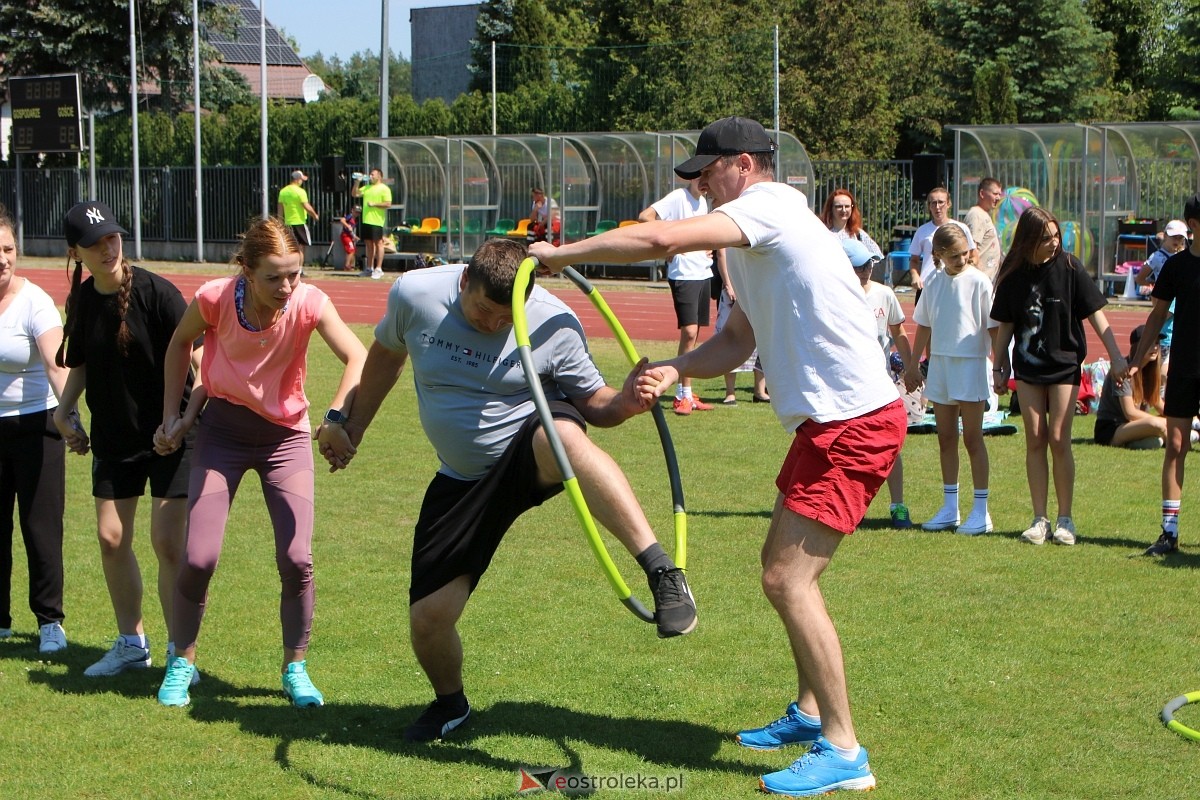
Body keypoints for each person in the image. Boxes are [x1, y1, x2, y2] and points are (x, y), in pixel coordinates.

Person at [530, 116, 905, 797]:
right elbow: (735, 340)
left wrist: (563, 253)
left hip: (854, 421)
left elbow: (660, 237)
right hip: (828, 422)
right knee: (781, 572)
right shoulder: (756, 237)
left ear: (743, 163)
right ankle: (811, 713)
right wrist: (676, 369)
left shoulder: (767, 207)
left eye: (707, 169)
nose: (699, 182)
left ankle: (845, 751)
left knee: (787, 581)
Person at [326, 237, 697, 742]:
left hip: (528, 447)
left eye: (506, 318)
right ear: (463, 281)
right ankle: (450, 705)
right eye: (483, 311)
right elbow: (386, 361)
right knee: (429, 620)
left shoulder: (552, 320)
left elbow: (596, 405)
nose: (493, 324)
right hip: (462, 480)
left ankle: (661, 572)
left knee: (563, 435)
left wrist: (628, 401)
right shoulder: (415, 295)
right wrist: (351, 426)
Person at [154, 216, 366, 708]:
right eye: (274, 276)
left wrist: (335, 416)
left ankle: (296, 668)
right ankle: (181, 661)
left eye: (295, 273)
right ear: (245, 270)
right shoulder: (214, 298)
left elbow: (357, 356)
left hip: (284, 439)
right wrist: (174, 416)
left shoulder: (309, 302)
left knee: (297, 558)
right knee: (200, 556)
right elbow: (178, 345)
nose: (288, 286)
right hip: (222, 433)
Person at [53, 200, 196, 676]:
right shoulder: (83, 300)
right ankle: (131, 643)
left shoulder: (157, 293)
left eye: (112, 237)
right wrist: (64, 408)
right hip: (115, 439)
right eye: (95, 243)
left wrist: (179, 421)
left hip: (170, 436)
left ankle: (181, 654)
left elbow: (198, 363)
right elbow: (84, 361)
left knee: (168, 543)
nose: (108, 247)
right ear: (77, 252)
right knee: (111, 539)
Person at [991, 206, 1126, 546]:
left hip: (1065, 365)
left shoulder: (1069, 267)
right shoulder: (1014, 275)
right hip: (1028, 366)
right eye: (1045, 238)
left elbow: (1097, 317)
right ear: (1028, 241)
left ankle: (1066, 519)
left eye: (1055, 236)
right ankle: (1040, 519)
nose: (1053, 243)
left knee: (1058, 437)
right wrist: (999, 366)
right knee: (1034, 438)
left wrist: (1117, 357)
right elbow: (1005, 327)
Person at [0, 205, 70, 653]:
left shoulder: (35, 302)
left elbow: (55, 363)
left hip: (36, 427)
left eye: (7, 249)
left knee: (40, 526)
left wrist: (70, 415)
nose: (3, 259)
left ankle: (49, 623)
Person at [904, 224, 993, 535]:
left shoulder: (980, 282)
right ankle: (950, 508)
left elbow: (992, 326)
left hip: (970, 365)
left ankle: (981, 511)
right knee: (945, 438)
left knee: (972, 438)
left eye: (965, 253)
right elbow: (924, 326)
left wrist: (999, 366)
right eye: (954, 255)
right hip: (941, 365)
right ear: (939, 254)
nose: (962, 259)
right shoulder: (932, 282)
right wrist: (914, 365)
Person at [1124, 194, 1200, 556]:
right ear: (1194, 225)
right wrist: (1138, 359)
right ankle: (1169, 533)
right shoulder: (1177, 266)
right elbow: (1156, 317)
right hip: (1185, 368)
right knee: (1175, 445)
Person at [845, 238, 914, 528]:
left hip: (881, 384)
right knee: (852, 448)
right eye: (859, 265)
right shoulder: (838, 295)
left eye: (869, 264)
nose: (865, 270)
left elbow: (898, 333)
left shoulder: (884, 294)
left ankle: (898, 505)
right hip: (847, 387)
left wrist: (912, 368)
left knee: (891, 447)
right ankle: (851, 507)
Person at [638, 178, 716, 415]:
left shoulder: (703, 202)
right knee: (689, 332)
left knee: (695, 336)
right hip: (683, 274)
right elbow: (645, 216)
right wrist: (666, 246)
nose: (704, 182)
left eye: (707, 176)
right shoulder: (677, 197)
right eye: (700, 177)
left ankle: (687, 393)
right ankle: (682, 396)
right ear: (691, 178)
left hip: (702, 272)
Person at [1094, 325, 1167, 448]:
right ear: (1137, 346)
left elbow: (1159, 404)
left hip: (1133, 426)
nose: (1155, 347)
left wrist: (1179, 419)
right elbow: (1130, 413)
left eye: (1157, 343)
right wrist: (1164, 422)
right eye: (1150, 343)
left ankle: (1141, 442)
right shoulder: (1123, 370)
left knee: (1164, 426)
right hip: (1112, 429)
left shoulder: (1149, 372)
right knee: (1156, 423)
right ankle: (1178, 438)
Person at [713, 249, 769, 405]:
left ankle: (759, 390)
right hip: (734, 290)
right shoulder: (731, 230)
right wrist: (728, 284)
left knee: (762, 340)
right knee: (730, 338)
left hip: (757, 289)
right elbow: (721, 254)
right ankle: (730, 393)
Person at [907, 187, 977, 300]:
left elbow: (974, 255)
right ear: (929, 206)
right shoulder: (922, 231)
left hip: (954, 284)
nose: (937, 207)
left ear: (948, 204)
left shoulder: (961, 228)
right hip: (927, 286)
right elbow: (914, 260)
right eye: (933, 203)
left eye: (941, 202)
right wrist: (915, 276)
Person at [819, 189, 884, 259]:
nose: (843, 210)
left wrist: (865, 267)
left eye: (847, 206)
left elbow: (878, 257)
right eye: (839, 206)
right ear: (830, 208)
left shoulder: (859, 234)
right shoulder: (822, 233)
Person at [352, 168, 392, 280]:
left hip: (377, 221)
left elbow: (388, 203)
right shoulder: (367, 187)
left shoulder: (384, 189)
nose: (371, 176)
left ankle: (378, 268)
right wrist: (357, 182)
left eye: (373, 174)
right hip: (366, 220)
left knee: (378, 243)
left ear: (379, 176)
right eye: (370, 174)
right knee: (369, 245)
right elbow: (355, 194)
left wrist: (374, 204)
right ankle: (369, 268)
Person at [964, 177, 1004, 282]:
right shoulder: (976, 215)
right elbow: (972, 249)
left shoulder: (984, 214)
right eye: (995, 194)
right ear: (982, 194)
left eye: (1000, 194)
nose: (999, 197)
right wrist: (979, 276)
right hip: (979, 280)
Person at [277, 170, 319, 267]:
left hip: (288, 223)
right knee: (301, 248)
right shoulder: (300, 191)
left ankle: (289, 268)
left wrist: (280, 222)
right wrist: (315, 215)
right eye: (301, 179)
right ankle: (299, 270)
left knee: (289, 247)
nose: (302, 182)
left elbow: (280, 208)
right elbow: (306, 205)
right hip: (299, 222)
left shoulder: (283, 191)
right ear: (297, 180)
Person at [1135, 219, 1189, 295]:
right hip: (1163, 299)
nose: (1177, 240)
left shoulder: (1184, 257)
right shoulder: (1156, 257)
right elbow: (1139, 279)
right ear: (1165, 236)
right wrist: (1155, 287)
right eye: (1174, 236)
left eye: (1180, 237)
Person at [339, 206, 361, 272]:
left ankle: (350, 265)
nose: (357, 214)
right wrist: (347, 225)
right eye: (356, 211)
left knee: (352, 251)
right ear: (352, 210)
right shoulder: (350, 216)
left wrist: (354, 236)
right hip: (345, 235)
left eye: (358, 213)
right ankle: (347, 266)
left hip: (349, 236)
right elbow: (342, 220)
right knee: (351, 250)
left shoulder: (355, 220)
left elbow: (351, 230)